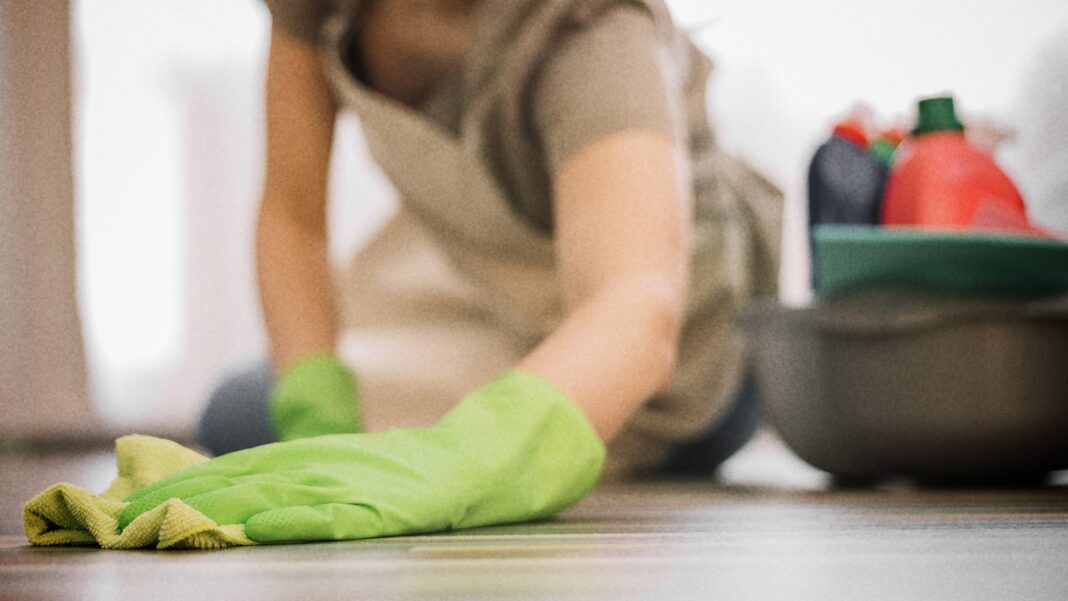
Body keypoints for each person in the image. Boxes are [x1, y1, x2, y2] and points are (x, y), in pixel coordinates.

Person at [128, 0, 782, 543]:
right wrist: (316, 421)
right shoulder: (317, 10)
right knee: (244, 410)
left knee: (243, 417)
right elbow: (293, 218)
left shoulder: (588, 26)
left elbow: (636, 307)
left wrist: (462, 458)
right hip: (511, 304)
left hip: (678, 368)